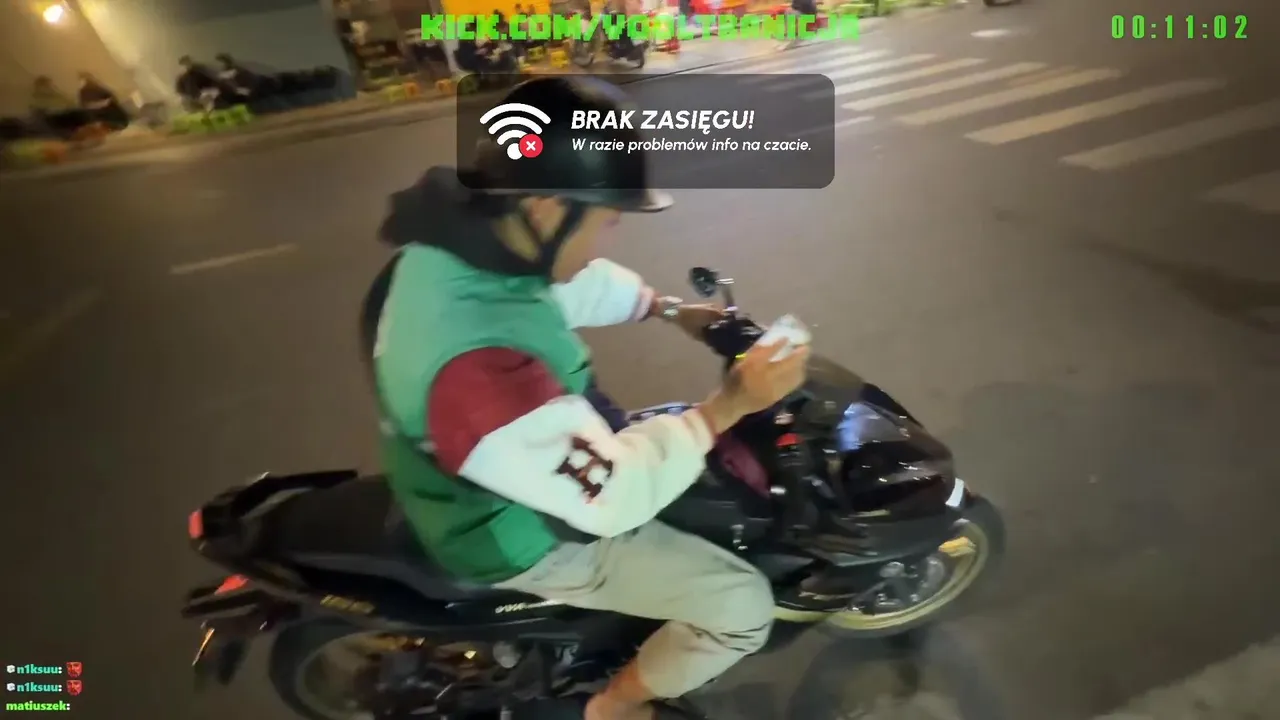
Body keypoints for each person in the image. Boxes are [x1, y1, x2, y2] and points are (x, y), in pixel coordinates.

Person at [369, 76, 809, 720]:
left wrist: (669, 310)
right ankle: (613, 706)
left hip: (482, 461)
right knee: (740, 605)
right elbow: (613, 499)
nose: (608, 238)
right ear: (548, 208)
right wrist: (730, 404)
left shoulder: (455, 249)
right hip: (512, 535)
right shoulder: (483, 374)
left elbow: (561, 284)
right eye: (607, 221)